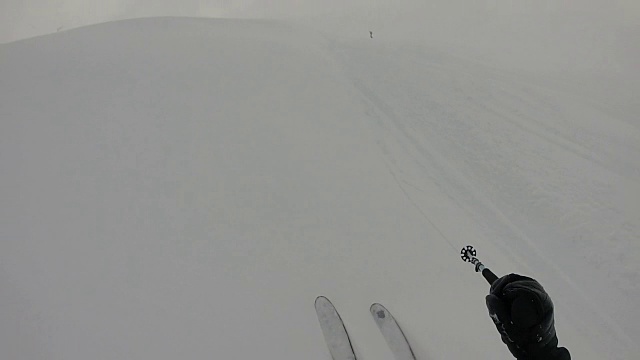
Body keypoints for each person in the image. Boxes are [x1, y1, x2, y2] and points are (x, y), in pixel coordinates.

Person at [486, 274, 571, 360]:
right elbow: (493, 303)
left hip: (531, 288)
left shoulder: (550, 344)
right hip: (520, 294)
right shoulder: (522, 349)